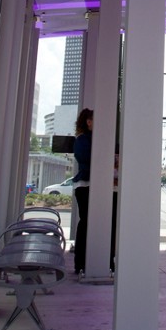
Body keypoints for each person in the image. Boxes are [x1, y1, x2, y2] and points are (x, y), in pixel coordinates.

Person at [71, 108, 93, 275]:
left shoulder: (88, 138)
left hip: (93, 184)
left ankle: (86, 260)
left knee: (88, 222)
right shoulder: (82, 139)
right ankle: (80, 262)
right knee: (86, 222)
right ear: (88, 121)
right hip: (85, 185)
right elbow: (85, 158)